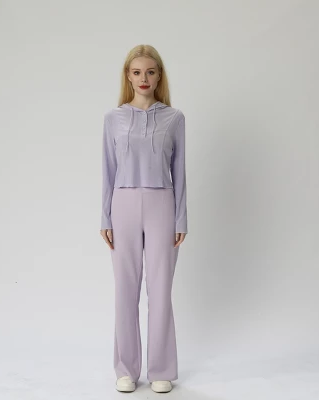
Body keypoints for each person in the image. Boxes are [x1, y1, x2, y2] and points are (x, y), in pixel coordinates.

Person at [99, 44, 188, 393]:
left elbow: (180, 171)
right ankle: (125, 369)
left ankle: (161, 369)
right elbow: (107, 170)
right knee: (126, 288)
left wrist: (181, 218)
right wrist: (105, 216)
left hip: (162, 203)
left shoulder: (174, 118)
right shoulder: (113, 118)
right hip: (122, 204)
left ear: (159, 75)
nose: (143, 78)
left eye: (150, 72)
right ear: (128, 76)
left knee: (161, 289)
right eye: (136, 72)